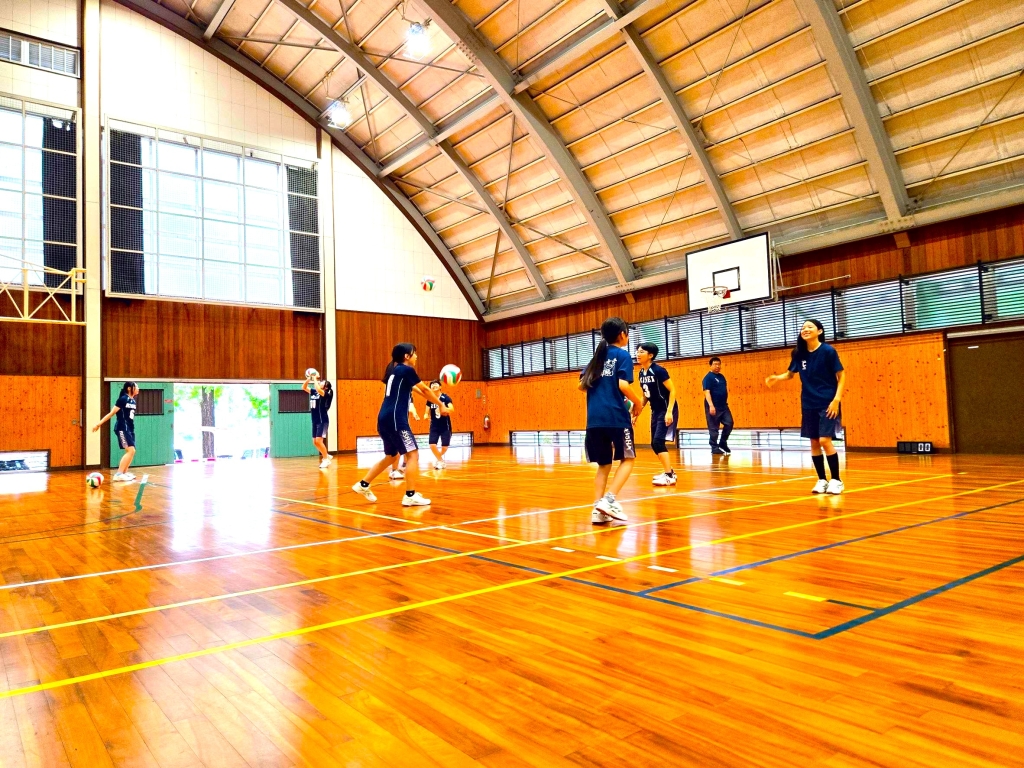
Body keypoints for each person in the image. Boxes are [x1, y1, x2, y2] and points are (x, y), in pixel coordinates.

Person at [352, 343, 447, 507]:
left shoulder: (395, 372)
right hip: (396, 419)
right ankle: (410, 495)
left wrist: (437, 402)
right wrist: (440, 404)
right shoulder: (406, 370)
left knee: (392, 456)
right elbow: (425, 390)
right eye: (414, 353)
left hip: (384, 419)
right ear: (406, 356)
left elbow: (420, 391)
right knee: (413, 454)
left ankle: (363, 484)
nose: (416, 356)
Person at [765, 319, 847, 494]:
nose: (805, 329)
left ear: (819, 331)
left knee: (825, 440)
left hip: (827, 402)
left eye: (810, 327)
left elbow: (841, 375)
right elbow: (790, 375)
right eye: (803, 328)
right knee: (814, 442)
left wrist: (836, 400)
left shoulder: (828, 351)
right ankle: (822, 480)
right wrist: (777, 377)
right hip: (808, 403)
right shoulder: (799, 353)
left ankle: (836, 480)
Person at [580, 317, 643, 524]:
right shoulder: (622, 355)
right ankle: (609, 500)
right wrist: (638, 403)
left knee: (604, 464)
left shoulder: (597, 357)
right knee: (628, 459)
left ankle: (597, 510)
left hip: (594, 420)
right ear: (622, 334)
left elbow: (581, 386)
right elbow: (624, 385)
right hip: (616, 417)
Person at [635, 342, 679, 486]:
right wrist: (637, 412)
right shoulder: (641, 373)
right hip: (655, 410)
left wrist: (669, 411)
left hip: (666, 409)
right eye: (637, 351)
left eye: (641, 352)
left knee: (658, 442)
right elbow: (645, 395)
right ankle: (670, 471)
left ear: (651, 355)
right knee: (654, 444)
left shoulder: (659, 370)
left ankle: (669, 476)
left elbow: (672, 390)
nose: (638, 354)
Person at [92, 381, 139, 483]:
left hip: (130, 429)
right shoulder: (123, 399)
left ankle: (124, 473)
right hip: (122, 428)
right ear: (129, 388)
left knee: (132, 451)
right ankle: (118, 474)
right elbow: (111, 413)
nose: (138, 389)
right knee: (130, 451)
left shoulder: (133, 401)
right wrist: (98, 424)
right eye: (136, 387)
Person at [702, 357, 734, 455]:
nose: (717, 366)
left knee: (729, 423)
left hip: (723, 406)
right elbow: (707, 392)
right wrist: (711, 406)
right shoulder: (708, 378)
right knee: (714, 428)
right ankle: (714, 447)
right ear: (710, 366)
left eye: (719, 364)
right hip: (713, 406)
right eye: (715, 364)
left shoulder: (722, 377)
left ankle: (723, 443)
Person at [303, 373, 334, 469]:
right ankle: (326, 454)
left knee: (319, 441)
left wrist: (315, 378)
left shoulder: (325, 393)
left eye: (322, 382)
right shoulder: (314, 392)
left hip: (322, 420)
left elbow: (318, 388)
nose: (320, 382)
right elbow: (304, 387)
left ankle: (326, 460)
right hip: (315, 419)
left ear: (326, 387)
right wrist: (308, 379)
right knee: (314, 442)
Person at [423, 379, 454, 470]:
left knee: (445, 447)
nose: (433, 385)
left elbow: (452, 409)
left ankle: (438, 459)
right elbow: (426, 411)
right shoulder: (430, 399)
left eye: (436, 384)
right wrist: (425, 415)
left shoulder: (445, 398)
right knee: (432, 444)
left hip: (445, 425)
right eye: (432, 385)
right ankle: (440, 461)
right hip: (434, 425)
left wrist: (444, 409)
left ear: (440, 387)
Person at [389, 400, 420, 480]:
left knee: (409, 449)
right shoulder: (397, 395)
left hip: (402, 425)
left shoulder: (408, 396)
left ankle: (404, 466)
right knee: (400, 450)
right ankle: (394, 470)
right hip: (397, 425)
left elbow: (411, 405)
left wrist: (414, 413)